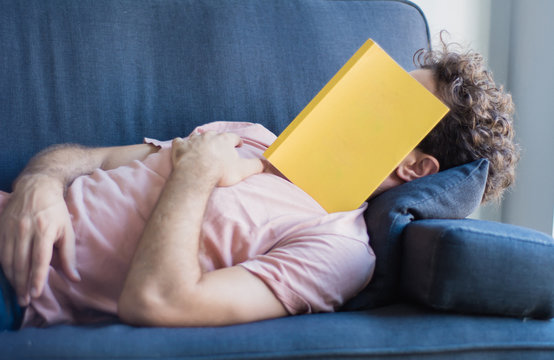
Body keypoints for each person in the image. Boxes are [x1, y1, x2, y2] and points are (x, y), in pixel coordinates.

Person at [0, 40, 519, 329]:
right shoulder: (250, 136)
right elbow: (85, 158)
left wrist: (196, 173)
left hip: (15, 290)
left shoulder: (338, 249)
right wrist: (39, 184)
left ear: (414, 168)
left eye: (386, 100)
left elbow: (157, 302)